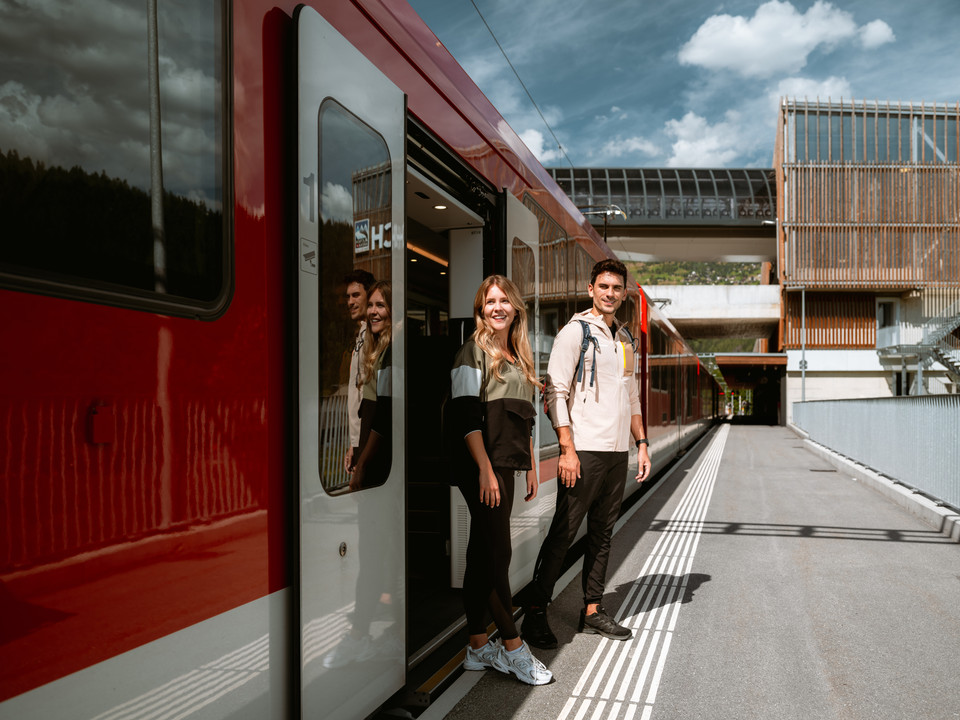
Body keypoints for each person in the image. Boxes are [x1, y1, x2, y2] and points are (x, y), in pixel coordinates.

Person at [521, 258, 652, 649]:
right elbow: (554, 391)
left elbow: (631, 396)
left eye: (617, 288)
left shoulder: (625, 340)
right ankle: (535, 613)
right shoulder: (574, 333)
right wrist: (567, 449)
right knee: (563, 534)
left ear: (623, 293)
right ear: (591, 289)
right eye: (604, 286)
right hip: (584, 451)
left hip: (616, 454)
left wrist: (641, 445)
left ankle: (592, 611)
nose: (610, 293)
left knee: (603, 533)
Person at [448, 275, 552, 686]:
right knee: (497, 556)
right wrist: (486, 470)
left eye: (504, 301)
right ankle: (512, 647)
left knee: (481, 553)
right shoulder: (470, 353)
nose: (497, 307)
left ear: (515, 309)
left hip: (505, 466)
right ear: (481, 309)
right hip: (482, 468)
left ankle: (477, 645)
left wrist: (527, 464)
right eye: (489, 301)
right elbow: (464, 417)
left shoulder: (518, 357)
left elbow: (523, 420)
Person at [350, 280, 392, 492]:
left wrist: (363, 464)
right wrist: (355, 447)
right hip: (366, 452)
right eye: (371, 305)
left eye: (381, 306)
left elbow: (382, 418)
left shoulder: (390, 353)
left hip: (377, 461)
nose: (373, 312)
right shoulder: (374, 350)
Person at [343, 269, 375, 475]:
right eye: (348, 296)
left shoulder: (372, 336)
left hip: (369, 442)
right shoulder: (361, 336)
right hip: (360, 442)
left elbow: (369, 398)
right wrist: (353, 444)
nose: (350, 302)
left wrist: (362, 448)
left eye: (356, 295)